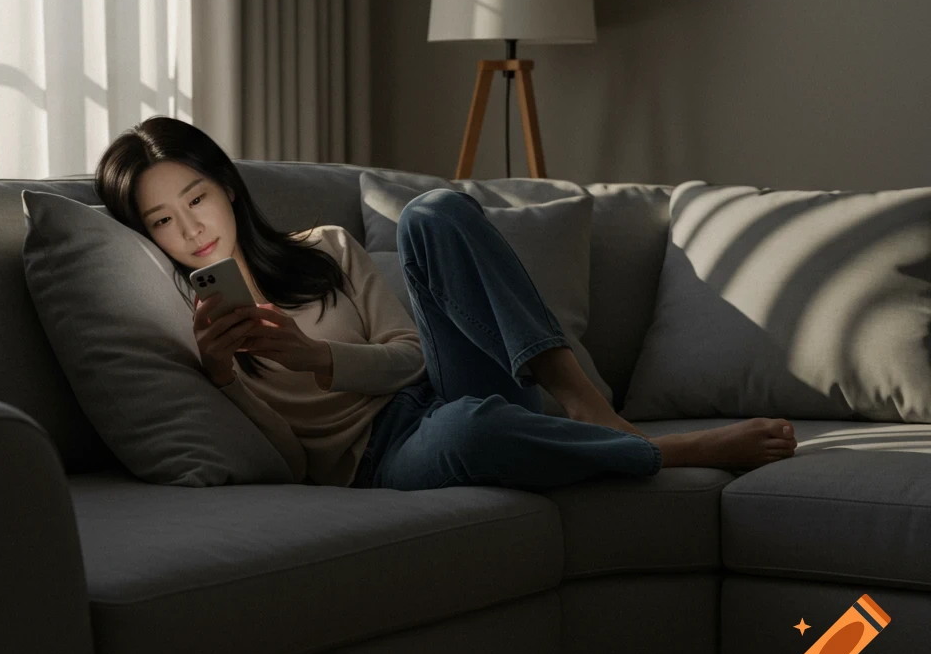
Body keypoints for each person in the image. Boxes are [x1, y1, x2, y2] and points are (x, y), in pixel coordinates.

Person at [94, 115, 797, 491]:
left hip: (437, 388)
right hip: (383, 460)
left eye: (196, 198)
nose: (191, 229)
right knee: (470, 430)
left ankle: (587, 405)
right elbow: (292, 464)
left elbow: (409, 359)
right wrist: (226, 378)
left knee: (433, 211)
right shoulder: (197, 331)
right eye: (162, 221)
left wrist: (316, 357)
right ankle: (665, 453)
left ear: (226, 186)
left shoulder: (326, 248)